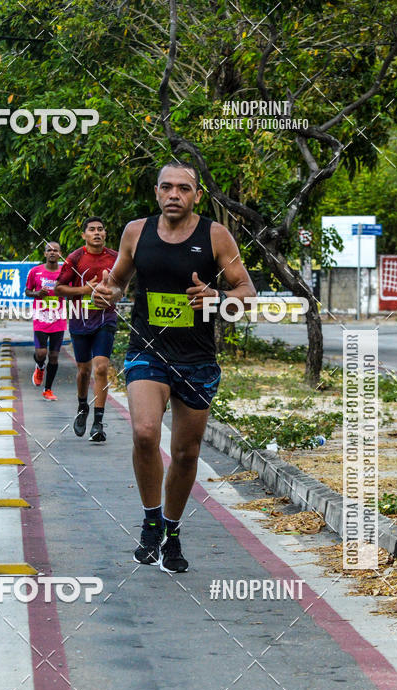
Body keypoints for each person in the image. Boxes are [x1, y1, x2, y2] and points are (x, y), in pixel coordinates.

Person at [93, 161, 256, 572]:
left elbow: (247, 292)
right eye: (167, 187)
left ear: (197, 196)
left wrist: (217, 297)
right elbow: (118, 282)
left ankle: (172, 530)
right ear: (156, 192)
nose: (174, 195)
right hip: (148, 350)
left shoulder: (215, 235)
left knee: (185, 453)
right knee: (145, 432)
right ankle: (150, 522)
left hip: (197, 359)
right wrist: (105, 291)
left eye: (184, 189)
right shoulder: (136, 231)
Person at [54, 218, 118, 442]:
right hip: (80, 320)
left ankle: (98, 423)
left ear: (105, 233)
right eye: (92, 230)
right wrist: (85, 289)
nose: (97, 233)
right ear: (84, 235)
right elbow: (58, 288)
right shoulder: (75, 258)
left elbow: (124, 283)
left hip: (105, 319)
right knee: (84, 371)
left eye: (100, 229)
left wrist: (114, 292)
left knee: (101, 368)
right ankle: (83, 407)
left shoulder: (115, 257)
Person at [25, 241, 67, 400]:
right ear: (45, 253)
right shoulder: (35, 272)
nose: (52, 253)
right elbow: (27, 291)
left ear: (60, 253)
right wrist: (37, 294)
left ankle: (48, 390)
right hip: (41, 318)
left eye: (55, 250)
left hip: (58, 319)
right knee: (41, 353)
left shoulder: (65, 272)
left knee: (54, 356)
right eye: (49, 250)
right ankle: (40, 366)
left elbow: (71, 291)